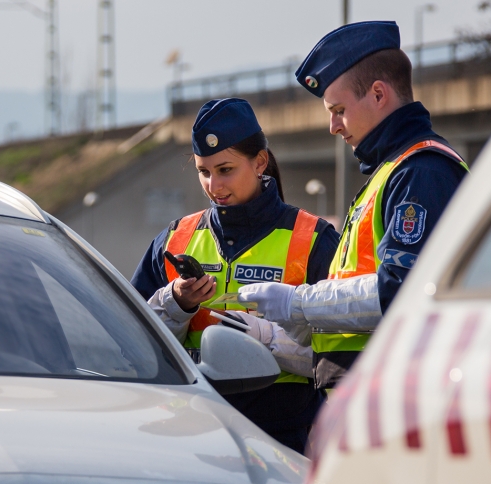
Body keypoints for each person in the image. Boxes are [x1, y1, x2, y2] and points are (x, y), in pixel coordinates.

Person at [238, 21, 469, 389]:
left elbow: (399, 291)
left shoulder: (420, 172)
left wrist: (299, 304)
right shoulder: (394, 170)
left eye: (339, 109)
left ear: (379, 94)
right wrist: (294, 330)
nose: (333, 126)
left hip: (394, 397)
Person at [131, 98, 340, 454]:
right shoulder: (175, 239)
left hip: (284, 442)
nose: (214, 185)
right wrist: (175, 304)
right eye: (203, 171)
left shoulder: (315, 240)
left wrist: (271, 340)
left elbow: (342, 354)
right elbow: (132, 344)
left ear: (259, 162)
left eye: (225, 169)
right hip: (192, 438)